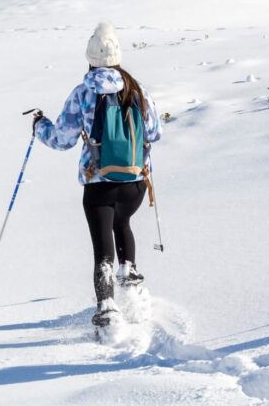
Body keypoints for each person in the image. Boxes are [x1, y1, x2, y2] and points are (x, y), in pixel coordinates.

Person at [32, 22, 163, 328]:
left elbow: (61, 140)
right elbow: (155, 133)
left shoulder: (83, 93)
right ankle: (130, 277)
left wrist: (40, 125)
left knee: (102, 247)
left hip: (99, 184)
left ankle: (107, 308)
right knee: (123, 223)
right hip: (135, 183)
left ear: (90, 58)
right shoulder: (137, 89)